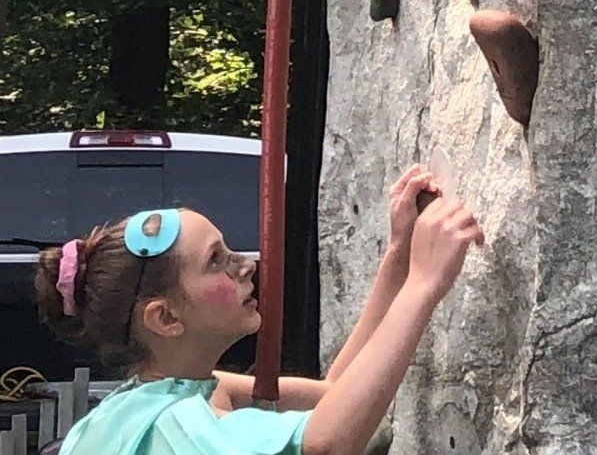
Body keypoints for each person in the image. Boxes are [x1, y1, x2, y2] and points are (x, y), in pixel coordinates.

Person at [35, 169, 482, 455]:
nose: (245, 265)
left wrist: (400, 256)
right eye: (217, 261)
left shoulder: (153, 397)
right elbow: (327, 444)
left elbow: (336, 395)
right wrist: (424, 285)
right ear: (165, 319)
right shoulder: (173, 428)